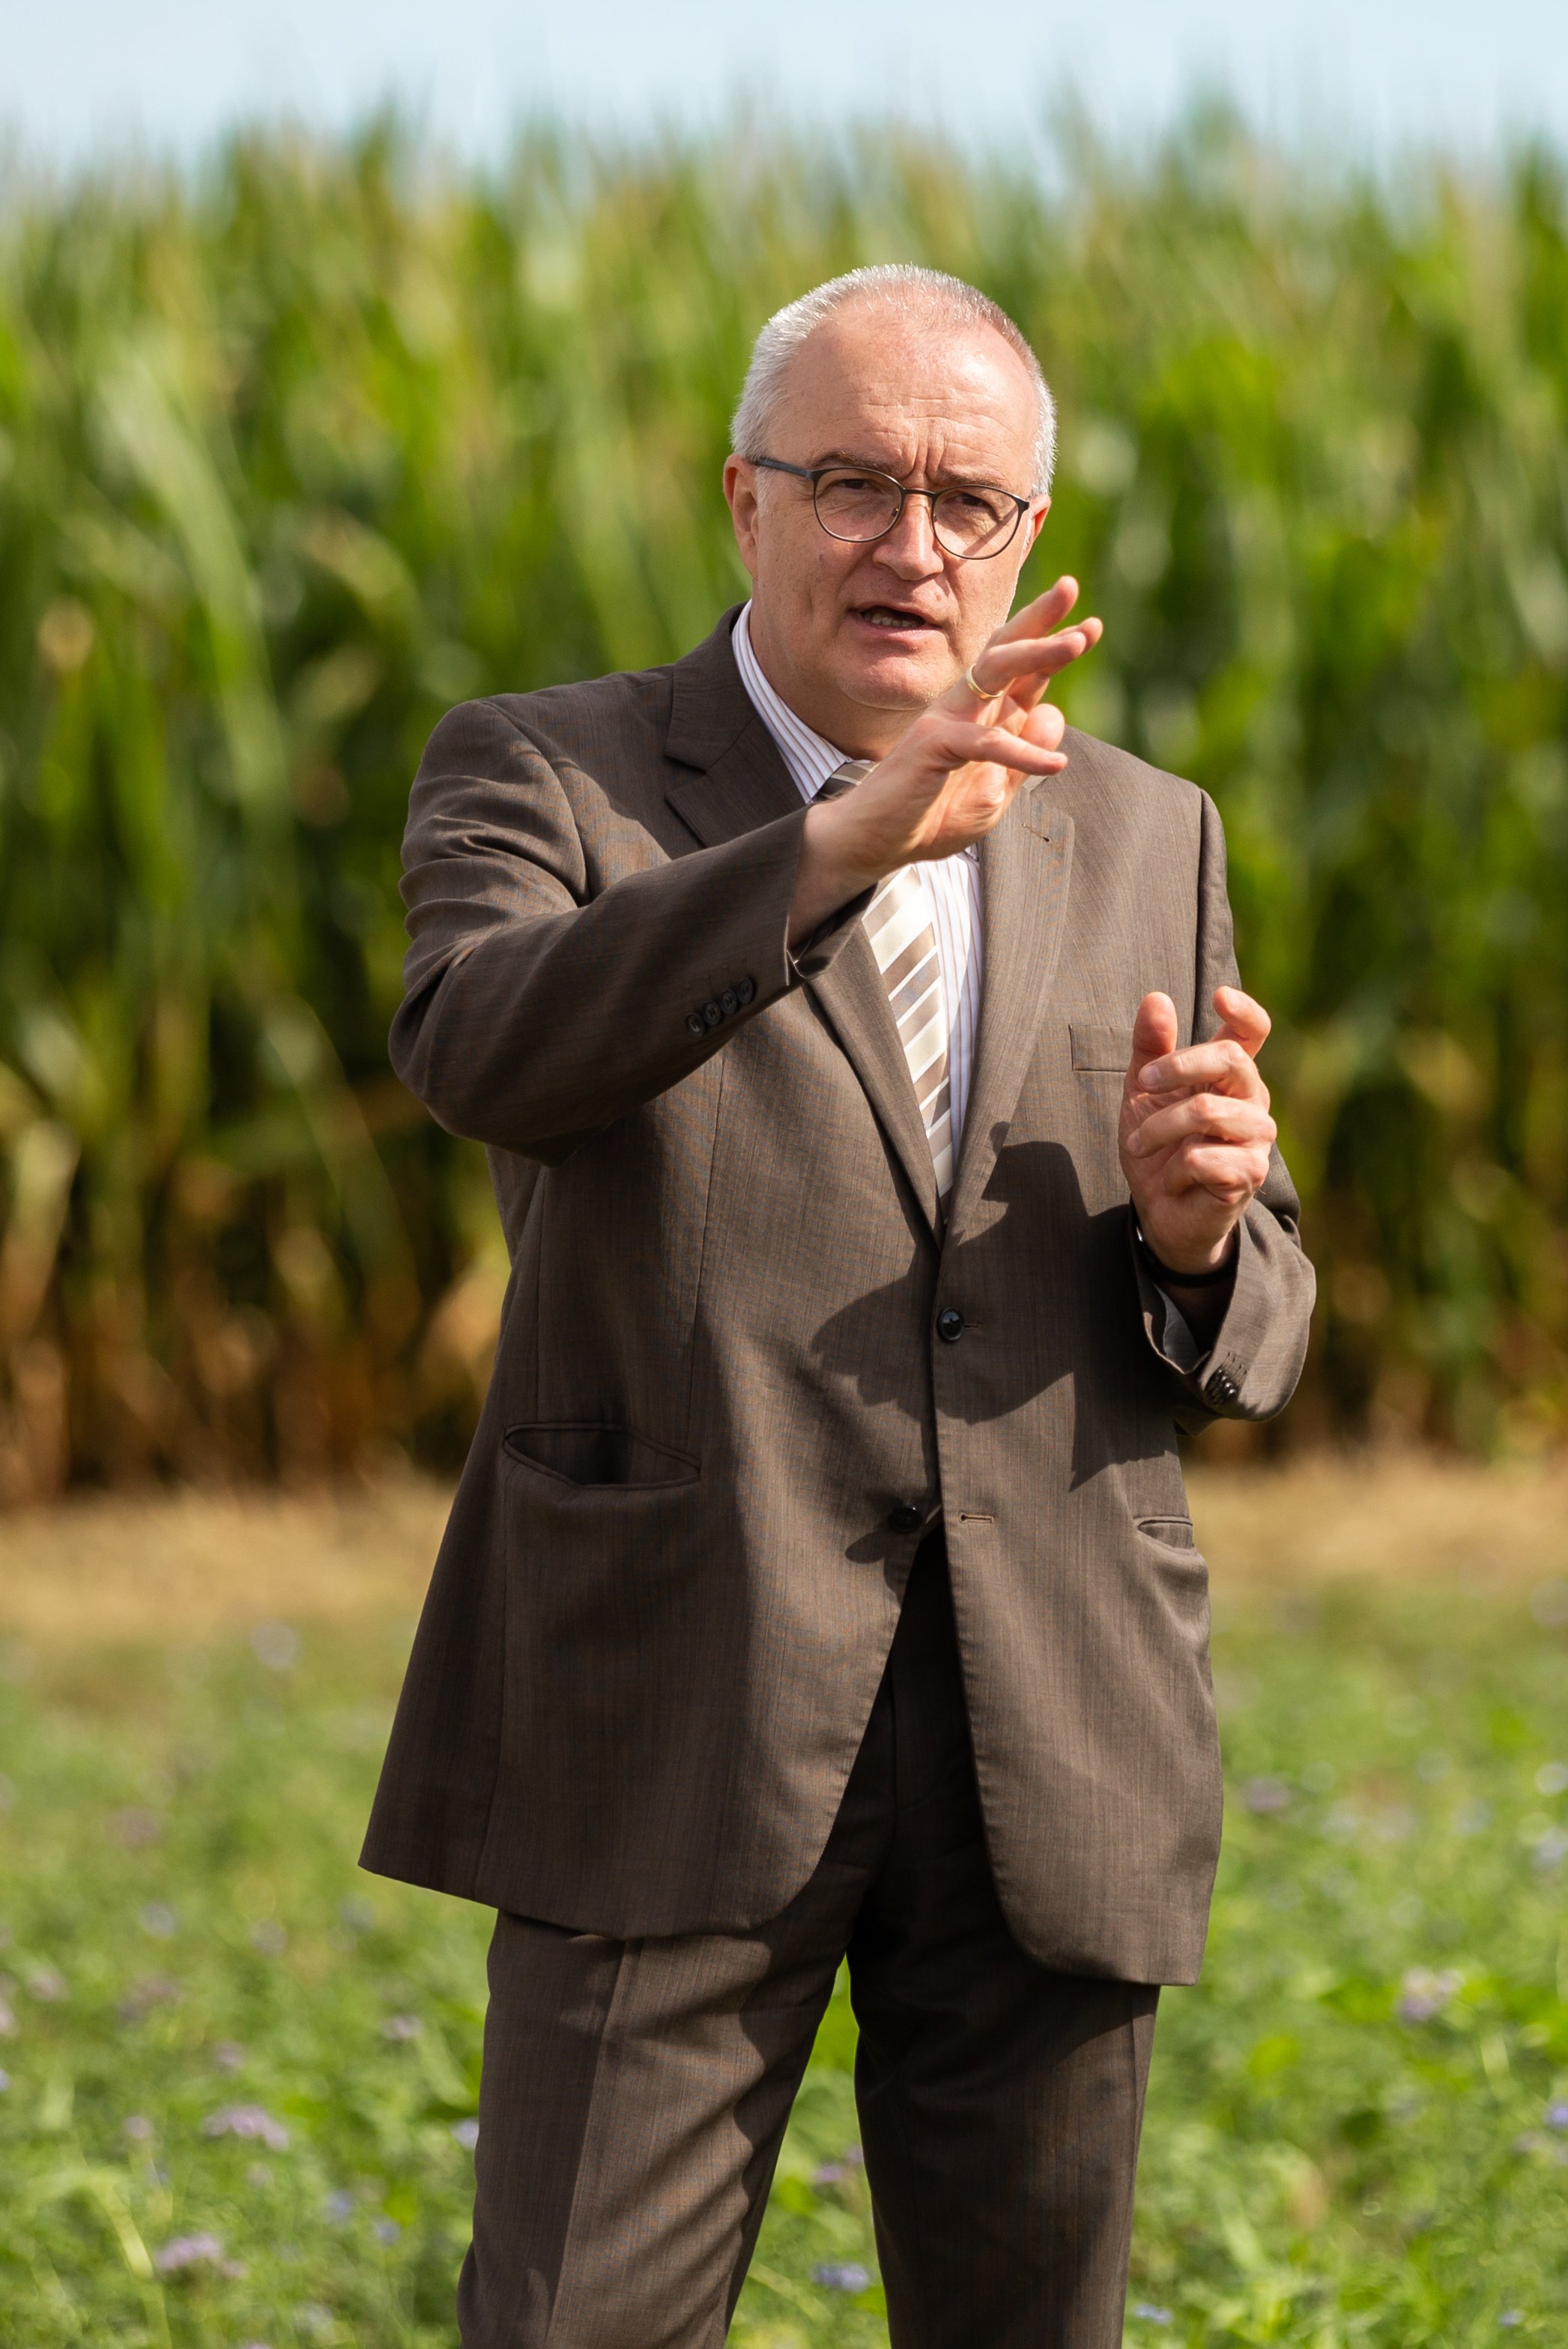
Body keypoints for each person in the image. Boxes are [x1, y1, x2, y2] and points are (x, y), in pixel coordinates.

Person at [362, 264, 1315, 2349]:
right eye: (854, 482)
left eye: (969, 500)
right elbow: (480, 1046)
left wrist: (1196, 1232)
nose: (913, 542)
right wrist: (834, 846)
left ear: (1027, 539)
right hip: (672, 1697)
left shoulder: (1147, 829)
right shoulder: (545, 769)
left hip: (1050, 1719)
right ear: (745, 500)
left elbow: (1260, 1324)